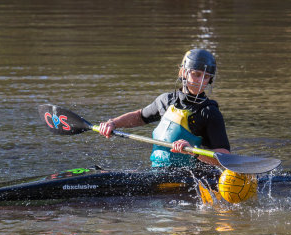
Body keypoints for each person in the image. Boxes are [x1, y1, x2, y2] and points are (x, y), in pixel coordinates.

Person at [98, 48, 230, 168]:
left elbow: (225, 156)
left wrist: (193, 151)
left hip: (190, 179)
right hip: (157, 173)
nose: (200, 81)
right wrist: (113, 123)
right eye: (196, 74)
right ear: (183, 72)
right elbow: (139, 117)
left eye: (206, 77)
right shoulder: (166, 100)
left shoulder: (209, 112)